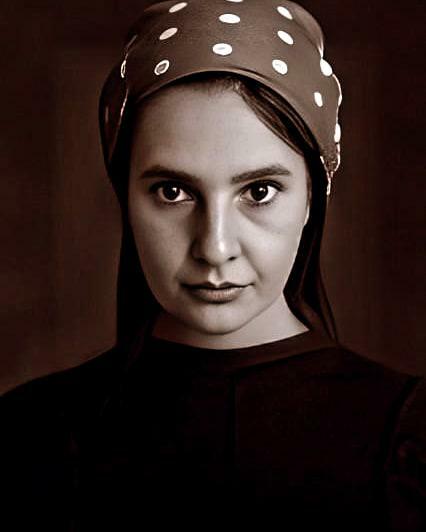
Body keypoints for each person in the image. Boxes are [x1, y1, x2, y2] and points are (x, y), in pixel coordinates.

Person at [1, 1, 425, 530]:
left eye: (259, 191)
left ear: (313, 197)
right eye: (172, 191)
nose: (215, 246)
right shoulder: (25, 436)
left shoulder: (412, 439)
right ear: (124, 194)